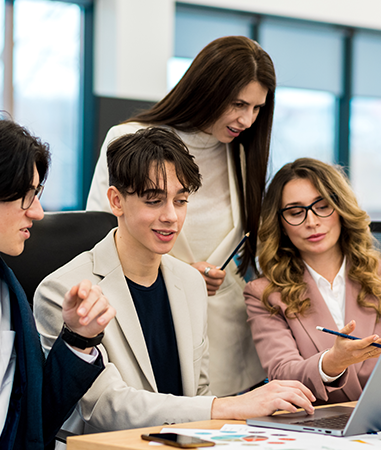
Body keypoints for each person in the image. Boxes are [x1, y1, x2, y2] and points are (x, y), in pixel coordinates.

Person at [34, 127, 315, 434]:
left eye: (180, 201)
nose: (171, 216)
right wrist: (228, 406)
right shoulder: (63, 291)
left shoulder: (190, 282)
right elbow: (104, 407)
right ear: (116, 201)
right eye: (154, 201)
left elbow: (199, 392)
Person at [86, 35, 276, 396]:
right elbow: (98, 238)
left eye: (257, 108)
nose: (247, 119)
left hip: (231, 346)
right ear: (207, 90)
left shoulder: (241, 154)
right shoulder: (128, 139)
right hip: (153, 323)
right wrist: (180, 275)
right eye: (238, 104)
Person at [0, 113, 115, 450]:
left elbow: (33, 421)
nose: (38, 212)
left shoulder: (7, 285)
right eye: (25, 197)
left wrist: (78, 338)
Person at [244, 157, 381, 405]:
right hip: (320, 422)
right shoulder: (264, 294)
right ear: (281, 224)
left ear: (341, 208)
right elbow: (282, 374)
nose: (312, 222)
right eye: (296, 212)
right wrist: (332, 362)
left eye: (323, 206)